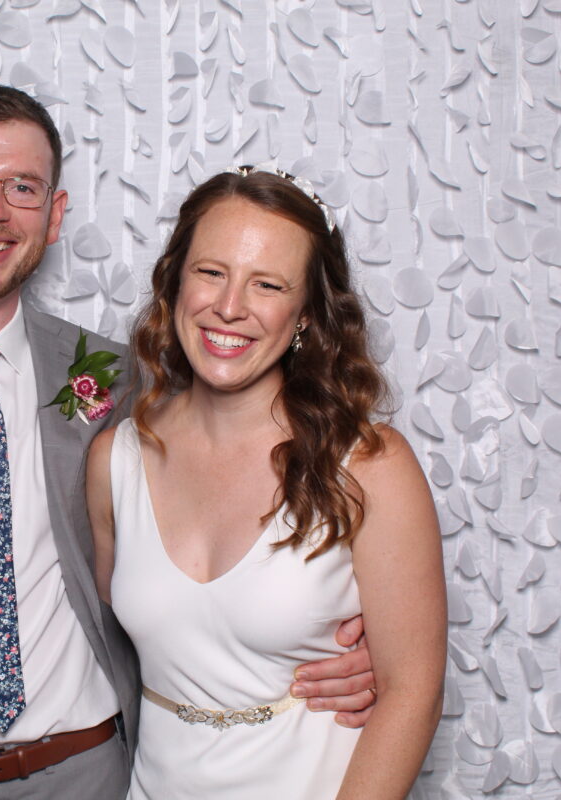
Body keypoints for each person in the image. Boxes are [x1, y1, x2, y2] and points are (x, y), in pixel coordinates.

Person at [0, 84, 379, 800]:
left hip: (87, 777)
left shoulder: (115, 374)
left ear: (54, 217)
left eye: (22, 187)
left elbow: (215, 537)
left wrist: (336, 653)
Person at [87, 166, 447, 799]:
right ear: (174, 281)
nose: (229, 307)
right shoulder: (114, 459)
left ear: (305, 312)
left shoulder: (368, 466)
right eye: (210, 272)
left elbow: (412, 694)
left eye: (267, 284)